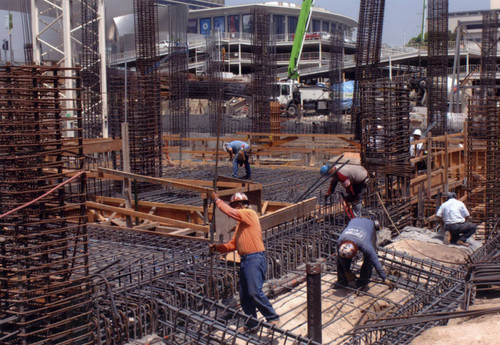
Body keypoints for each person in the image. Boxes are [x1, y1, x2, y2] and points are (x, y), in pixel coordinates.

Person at [209, 191, 280, 332]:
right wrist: (217, 248)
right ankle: (251, 324)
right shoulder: (241, 225)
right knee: (245, 295)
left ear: (242, 205)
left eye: (236, 206)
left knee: (254, 292)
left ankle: (272, 317)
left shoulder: (249, 214)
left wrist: (217, 200)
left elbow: (229, 212)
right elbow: (233, 245)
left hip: (255, 258)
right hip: (246, 260)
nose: (235, 209)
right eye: (233, 206)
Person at [335, 218, 395, 291]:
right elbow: (342, 259)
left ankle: (362, 283)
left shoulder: (365, 245)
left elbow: (375, 261)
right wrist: (347, 271)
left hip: (368, 225)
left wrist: (384, 278)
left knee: (368, 260)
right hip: (355, 221)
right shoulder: (340, 242)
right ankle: (342, 281)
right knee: (341, 260)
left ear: (356, 251)